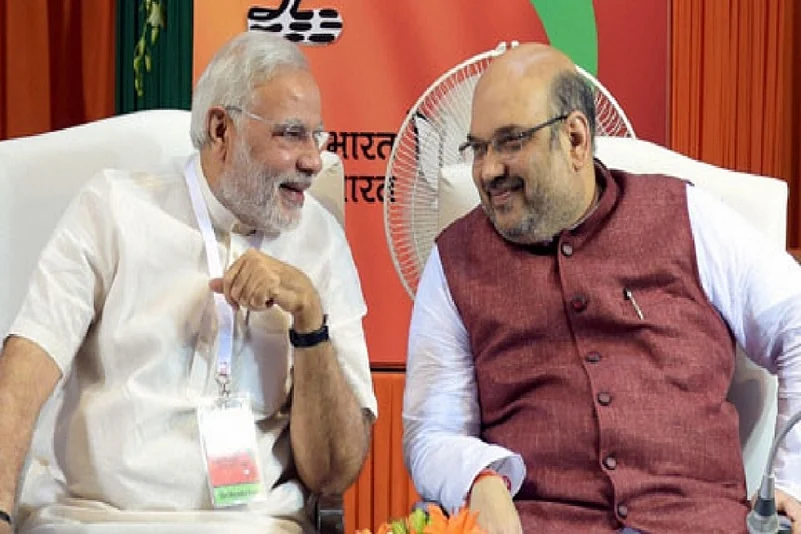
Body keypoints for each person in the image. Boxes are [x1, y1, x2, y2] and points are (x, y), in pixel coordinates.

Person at [402, 43, 801, 533]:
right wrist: (480, 476)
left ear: (575, 138)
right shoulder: (455, 260)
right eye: (478, 148)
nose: (487, 170)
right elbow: (431, 431)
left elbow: (796, 318)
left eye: (510, 142)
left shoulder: (686, 217)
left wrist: (793, 484)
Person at [0, 31, 376, 534]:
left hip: (255, 526)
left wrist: (310, 319)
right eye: (291, 135)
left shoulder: (319, 238)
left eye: (317, 137)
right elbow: (25, 370)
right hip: (97, 519)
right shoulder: (112, 209)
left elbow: (334, 473)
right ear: (221, 130)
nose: (313, 160)